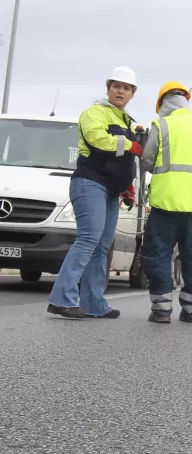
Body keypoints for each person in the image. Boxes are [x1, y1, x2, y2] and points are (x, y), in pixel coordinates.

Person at [47, 66, 142, 319]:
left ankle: (93, 304)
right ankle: (61, 299)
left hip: (111, 189)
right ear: (108, 87)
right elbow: (98, 141)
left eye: (126, 88)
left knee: (101, 246)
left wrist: (128, 186)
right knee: (89, 239)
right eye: (116, 86)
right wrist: (131, 144)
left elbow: (124, 160)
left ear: (133, 93)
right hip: (90, 183)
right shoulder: (94, 113)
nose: (121, 91)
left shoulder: (127, 120)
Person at [140, 81, 192, 324]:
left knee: (159, 255)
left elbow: (146, 161)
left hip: (165, 204)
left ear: (162, 103)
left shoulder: (162, 125)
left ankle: (162, 310)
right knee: (191, 258)